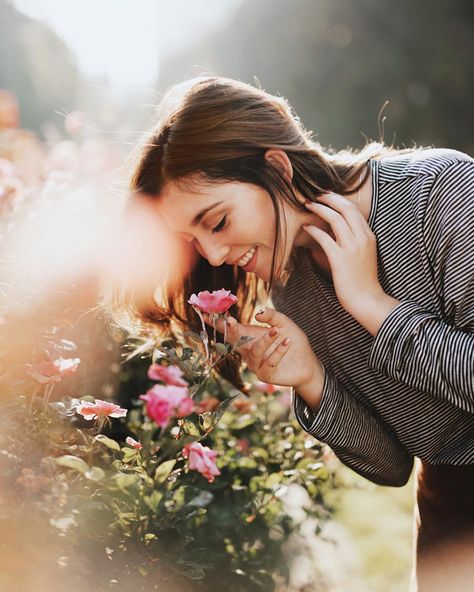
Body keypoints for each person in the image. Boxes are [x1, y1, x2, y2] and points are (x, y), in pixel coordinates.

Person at [114, 76, 474, 590]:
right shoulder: (290, 289)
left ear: (277, 168)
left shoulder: (440, 195)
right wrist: (311, 378)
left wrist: (374, 306)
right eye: (193, 241)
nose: (213, 256)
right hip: (447, 514)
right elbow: (392, 465)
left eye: (216, 222)